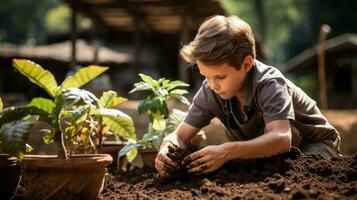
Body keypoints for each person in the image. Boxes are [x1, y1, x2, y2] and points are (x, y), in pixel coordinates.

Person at [155, 15, 341, 177]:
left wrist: (226, 151)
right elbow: (180, 135)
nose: (213, 85)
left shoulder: (270, 84)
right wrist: (168, 145)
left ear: (246, 64)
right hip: (271, 155)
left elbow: (282, 138)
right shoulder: (211, 90)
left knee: (282, 172)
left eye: (220, 77)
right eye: (206, 76)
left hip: (315, 145)